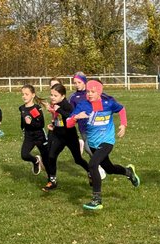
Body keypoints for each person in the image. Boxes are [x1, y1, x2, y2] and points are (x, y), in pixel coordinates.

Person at [67, 79, 140, 210]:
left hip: (107, 141)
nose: (89, 94)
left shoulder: (108, 103)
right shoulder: (83, 105)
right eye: (88, 91)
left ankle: (97, 199)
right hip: (93, 143)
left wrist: (123, 125)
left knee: (92, 164)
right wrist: (76, 118)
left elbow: (121, 109)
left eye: (92, 91)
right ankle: (128, 172)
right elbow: (68, 123)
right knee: (109, 169)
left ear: (99, 92)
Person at [43, 82, 90, 192]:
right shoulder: (55, 104)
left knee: (78, 159)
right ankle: (52, 181)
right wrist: (53, 124)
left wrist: (58, 110)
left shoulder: (66, 105)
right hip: (58, 136)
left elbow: (71, 117)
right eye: (51, 95)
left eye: (55, 95)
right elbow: (58, 118)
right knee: (51, 156)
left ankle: (90, 172)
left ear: (63, 96)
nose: (52, 97)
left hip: (70, 136)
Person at [19, 84, 49, 176]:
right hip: (29, 136)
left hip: (39, 136)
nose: (24, 96)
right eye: (23, 94)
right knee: (24, 155)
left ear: (33, 95)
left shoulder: (35, 109)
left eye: (26, 94)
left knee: (46, 161)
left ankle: (51, 179)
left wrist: (31, 122)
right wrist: (23, 128)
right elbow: (23, 121)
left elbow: (41, 124)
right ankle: (36, 161)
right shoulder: (22, 108)